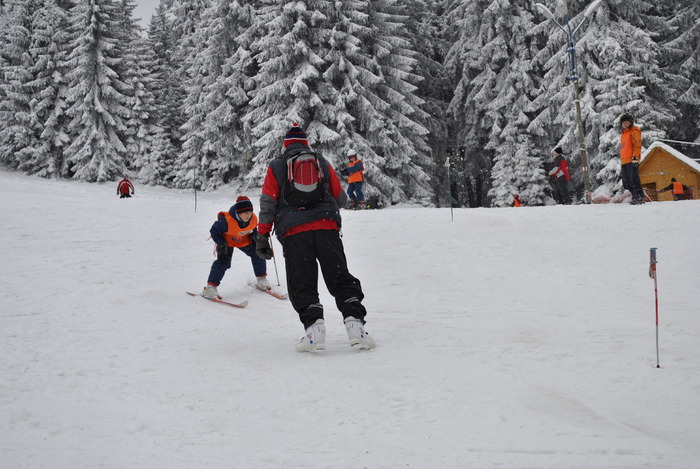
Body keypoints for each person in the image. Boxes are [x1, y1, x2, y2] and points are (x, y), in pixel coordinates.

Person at [256, 123, 375, 352]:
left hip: (294, 233)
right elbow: (340, 198)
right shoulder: (320, 161)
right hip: (326, 227)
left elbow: (268, 203)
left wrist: (262, 236)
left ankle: (314, 333)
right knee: (339, 276)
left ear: (286, 145)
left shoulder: (277, 166)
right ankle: (356, 327)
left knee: (302, 281)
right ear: (305, 142)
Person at [202, 196, 270, 300]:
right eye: (245, 213)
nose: (249, 215)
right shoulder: (226, 221)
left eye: (250, 212)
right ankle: (210, 288)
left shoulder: (254, 218)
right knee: (223, 262)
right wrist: (221, 243)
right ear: (238, 213)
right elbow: (214, 231)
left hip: (243, 240)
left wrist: (256, 237)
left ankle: (261, 279)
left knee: (258, 253)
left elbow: (253, 229)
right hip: (227, 242)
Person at [619, 113, 644, 204]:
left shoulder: (634, 131)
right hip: (624, 161)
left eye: (626, 122)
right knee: (626, 182)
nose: (625, 124)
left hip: (632, 160)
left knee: (634, 179)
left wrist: (635, 159)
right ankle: (635, 196)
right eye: (623, 122)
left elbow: (637, 146)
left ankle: (639, 198)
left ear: (630, 122)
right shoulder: (624, 134)